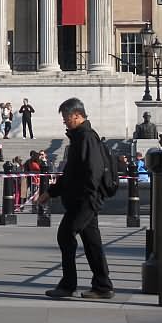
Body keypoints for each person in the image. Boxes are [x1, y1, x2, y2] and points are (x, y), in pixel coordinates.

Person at [38, 97, 114, 300]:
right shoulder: (79, 137)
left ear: (78, 116)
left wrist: (89, 198)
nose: (64, 121)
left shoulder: (86, 137)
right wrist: (52, 192)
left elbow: (93, 170)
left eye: (66, 117)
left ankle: (68, 285)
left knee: (65, 235)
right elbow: (71, 173)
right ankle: (102, 285)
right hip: (84, 198)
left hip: (85, 200)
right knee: (91, 242)